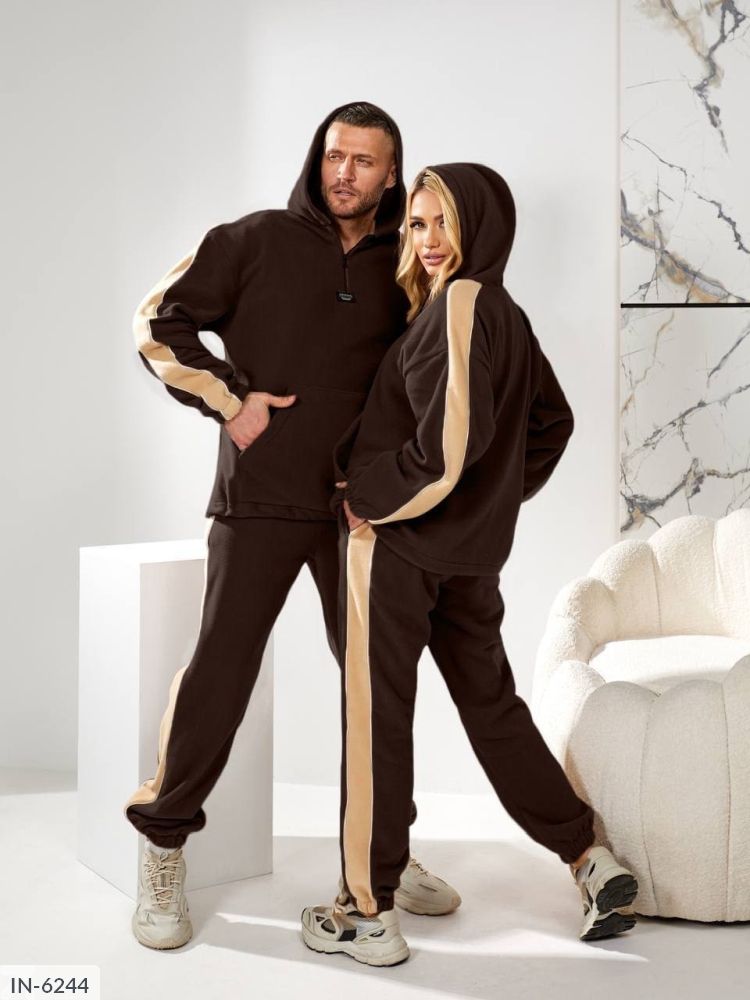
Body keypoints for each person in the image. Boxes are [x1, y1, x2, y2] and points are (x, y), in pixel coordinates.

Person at [123, 103, 461, 951]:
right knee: (220, 674)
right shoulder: (254, 239)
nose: (344, 172)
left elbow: (436, 368)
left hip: (361, 512)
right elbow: (156, 322)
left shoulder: (407, 260)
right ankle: (163, 845)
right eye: (334, 155)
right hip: (261, 500)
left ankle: (381, 858)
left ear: (392, 173)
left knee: (377, 684)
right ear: (318, 158)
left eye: (364, 161)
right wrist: (230, 400)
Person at [300, 164, 639, 967]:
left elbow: (445, 452)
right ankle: (590, 857)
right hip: (467, 560)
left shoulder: (461, 303)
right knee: (493, 709)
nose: (427, 242)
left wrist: (368, 498)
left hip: (398, 551)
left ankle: (367, 911)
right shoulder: (506, 314)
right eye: (417, 224)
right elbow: (551, 422)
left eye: (444, 222)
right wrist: (489, 504)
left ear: (482, 226)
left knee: (376, 719)